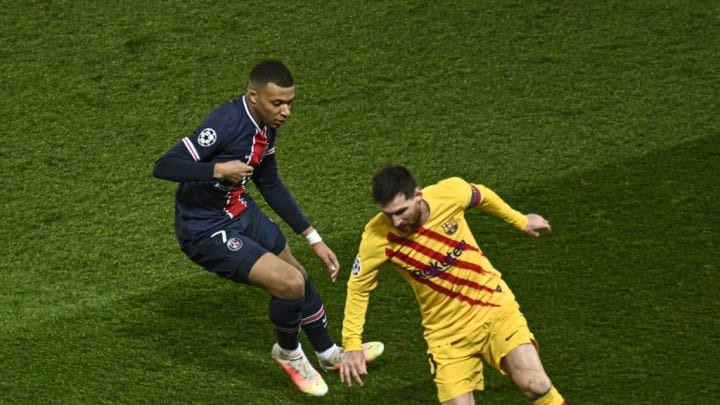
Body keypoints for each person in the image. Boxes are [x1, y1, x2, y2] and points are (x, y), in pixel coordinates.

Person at [152, 60, 382, 397]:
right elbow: (164, 166)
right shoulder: (226, 122)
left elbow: (270, 183)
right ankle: (288, 353)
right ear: (254, 96)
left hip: (240, 210)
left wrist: (313, 238)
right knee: (288, 285)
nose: (286, 111)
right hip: (205, 229)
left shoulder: (266, 124)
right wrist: (218, 169)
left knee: (298, 273)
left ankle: (329, 354)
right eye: (278, 103)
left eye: (290, 103)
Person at [340, 165, 566, 405]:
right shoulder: (376, 238)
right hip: (446, 334)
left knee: (536, 384)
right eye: (388, 215)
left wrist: (520, 220)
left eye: (401, 211)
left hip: (493, 306)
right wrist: (352, 343)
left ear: (418, 195)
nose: (396, 221)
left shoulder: (450, 193)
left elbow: (482, 194)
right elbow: (358, 287)